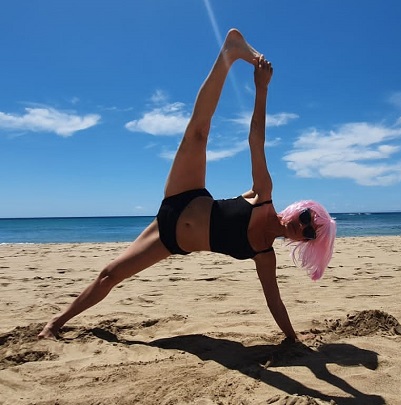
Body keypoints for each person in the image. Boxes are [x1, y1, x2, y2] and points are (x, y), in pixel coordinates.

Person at [38, 29, 336, 342]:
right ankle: (231, 52)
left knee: (111, 274)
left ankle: (56, 324)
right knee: (197, 133)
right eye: (306, 216)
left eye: (310, 231)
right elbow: (256, 140)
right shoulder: (264, 196)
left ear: (307, 242)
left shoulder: (265, 254)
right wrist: (261, 90)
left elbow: (274, 300)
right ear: (297, 208)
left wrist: (292, 338)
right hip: (185, 194)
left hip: (170, 240)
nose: (302, 226)